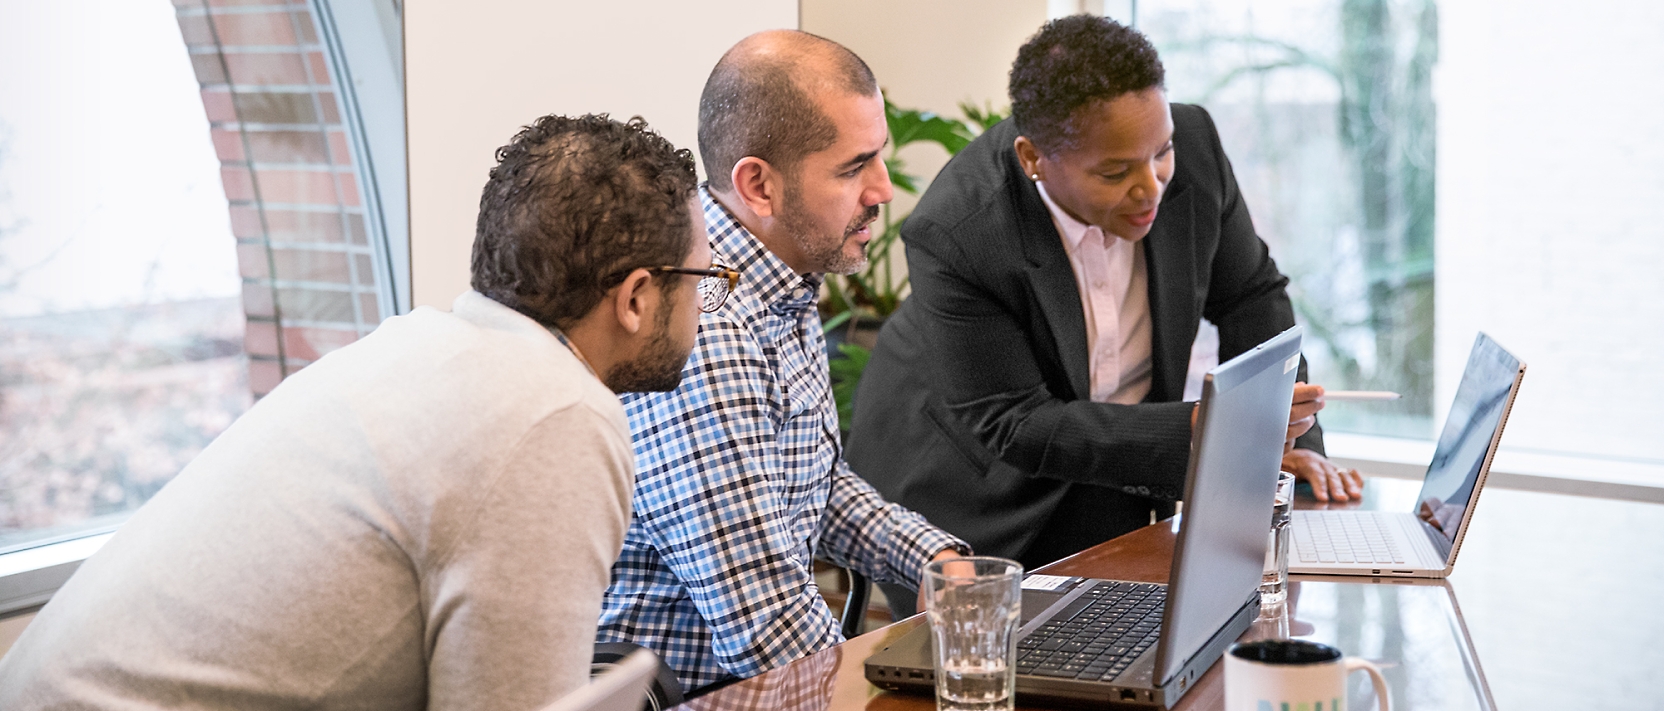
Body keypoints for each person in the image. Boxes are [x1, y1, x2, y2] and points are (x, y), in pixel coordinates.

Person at [0, 114, 714, 711]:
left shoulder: (426, 351)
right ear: (637, 297)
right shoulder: (556, 414)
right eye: (703, 280)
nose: (706, 305)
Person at [845, 16, 1364, 614]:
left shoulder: (1192, 146)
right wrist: (1203, 433)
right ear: (1034, 157)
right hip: (973, 489)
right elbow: (1015, 423)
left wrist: (1282, 439)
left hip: (1114, 464)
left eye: (1160, 153)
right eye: (1115, 173)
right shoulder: (959, 229)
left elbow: (1251, 296)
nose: (1152, 188)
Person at [596, 30, 970, 694]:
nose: (883, 190)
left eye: (877, 157)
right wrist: (885, 687)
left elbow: (809, 485)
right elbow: (767, 626)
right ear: (758, 186)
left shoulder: (777, 283)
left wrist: (933, 559)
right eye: (855, 167)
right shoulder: (704, 325)